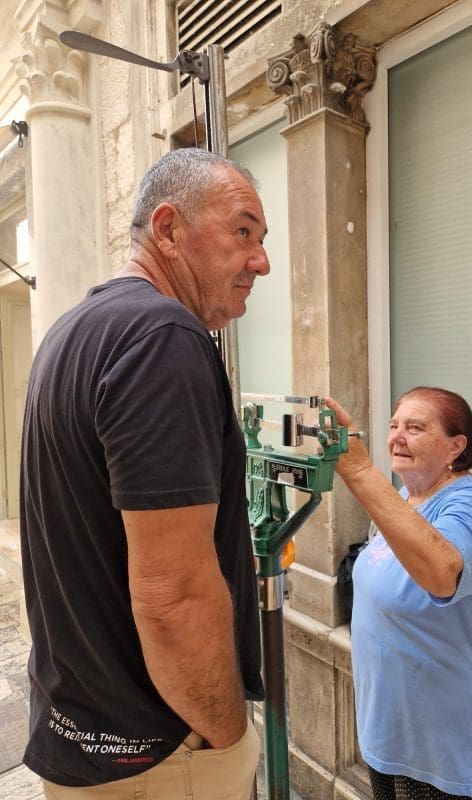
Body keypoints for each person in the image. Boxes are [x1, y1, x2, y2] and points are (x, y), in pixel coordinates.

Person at [20, 148, 270, 800]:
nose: (261, 261)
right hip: (162, 760)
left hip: (81, 741)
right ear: (168, 229)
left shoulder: (73, 331)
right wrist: (226, 736)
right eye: (243, 231)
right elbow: (174, 596)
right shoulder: (164, 338)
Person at [326, 388, 472, 800]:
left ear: (456, 446)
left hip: (446, 748)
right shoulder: (404, 498)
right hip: (389, 730)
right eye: (394, 425)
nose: (397, 436)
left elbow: (441, 573)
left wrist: (358, 469)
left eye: (415, 428)